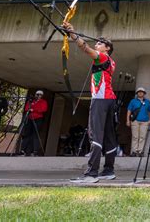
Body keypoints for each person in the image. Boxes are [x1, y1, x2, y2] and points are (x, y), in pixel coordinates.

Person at [62, 21, 118, 184]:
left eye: (101, 43)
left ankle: (91, 173)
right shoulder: (111, 61)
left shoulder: (102, 57)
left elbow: (84, 48)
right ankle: (108, 170)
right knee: (108, 136)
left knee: (95, 134)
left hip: (100, 100)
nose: (97, 44)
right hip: (109, 100)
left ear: (107, 48)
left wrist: (72, 34)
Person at [126, 87, 150, 157]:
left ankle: (140, 151)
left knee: (142, 137)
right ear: (137, 93)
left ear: (144, 94)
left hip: (145, 122)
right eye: (139, 92)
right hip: (135, 121)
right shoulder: (133, 101)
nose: (140, 93)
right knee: (135, 137)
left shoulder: (147, 102)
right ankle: (134, 151)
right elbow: (129, 111)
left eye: (142, 92)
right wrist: (128, 120)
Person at [21, 90, 48, 156]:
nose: (38, 96)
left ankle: (34, 151)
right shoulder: (31, 101)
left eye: (40, 95)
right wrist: (31, 109)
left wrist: (34, 110)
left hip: (38, 119)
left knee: (35, 134)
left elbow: (44, 109)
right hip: (30, 118)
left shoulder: (43, 102)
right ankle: (23, 150)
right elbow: (26, 108)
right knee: (27, 134)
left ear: (42, 96)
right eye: (37, 94)